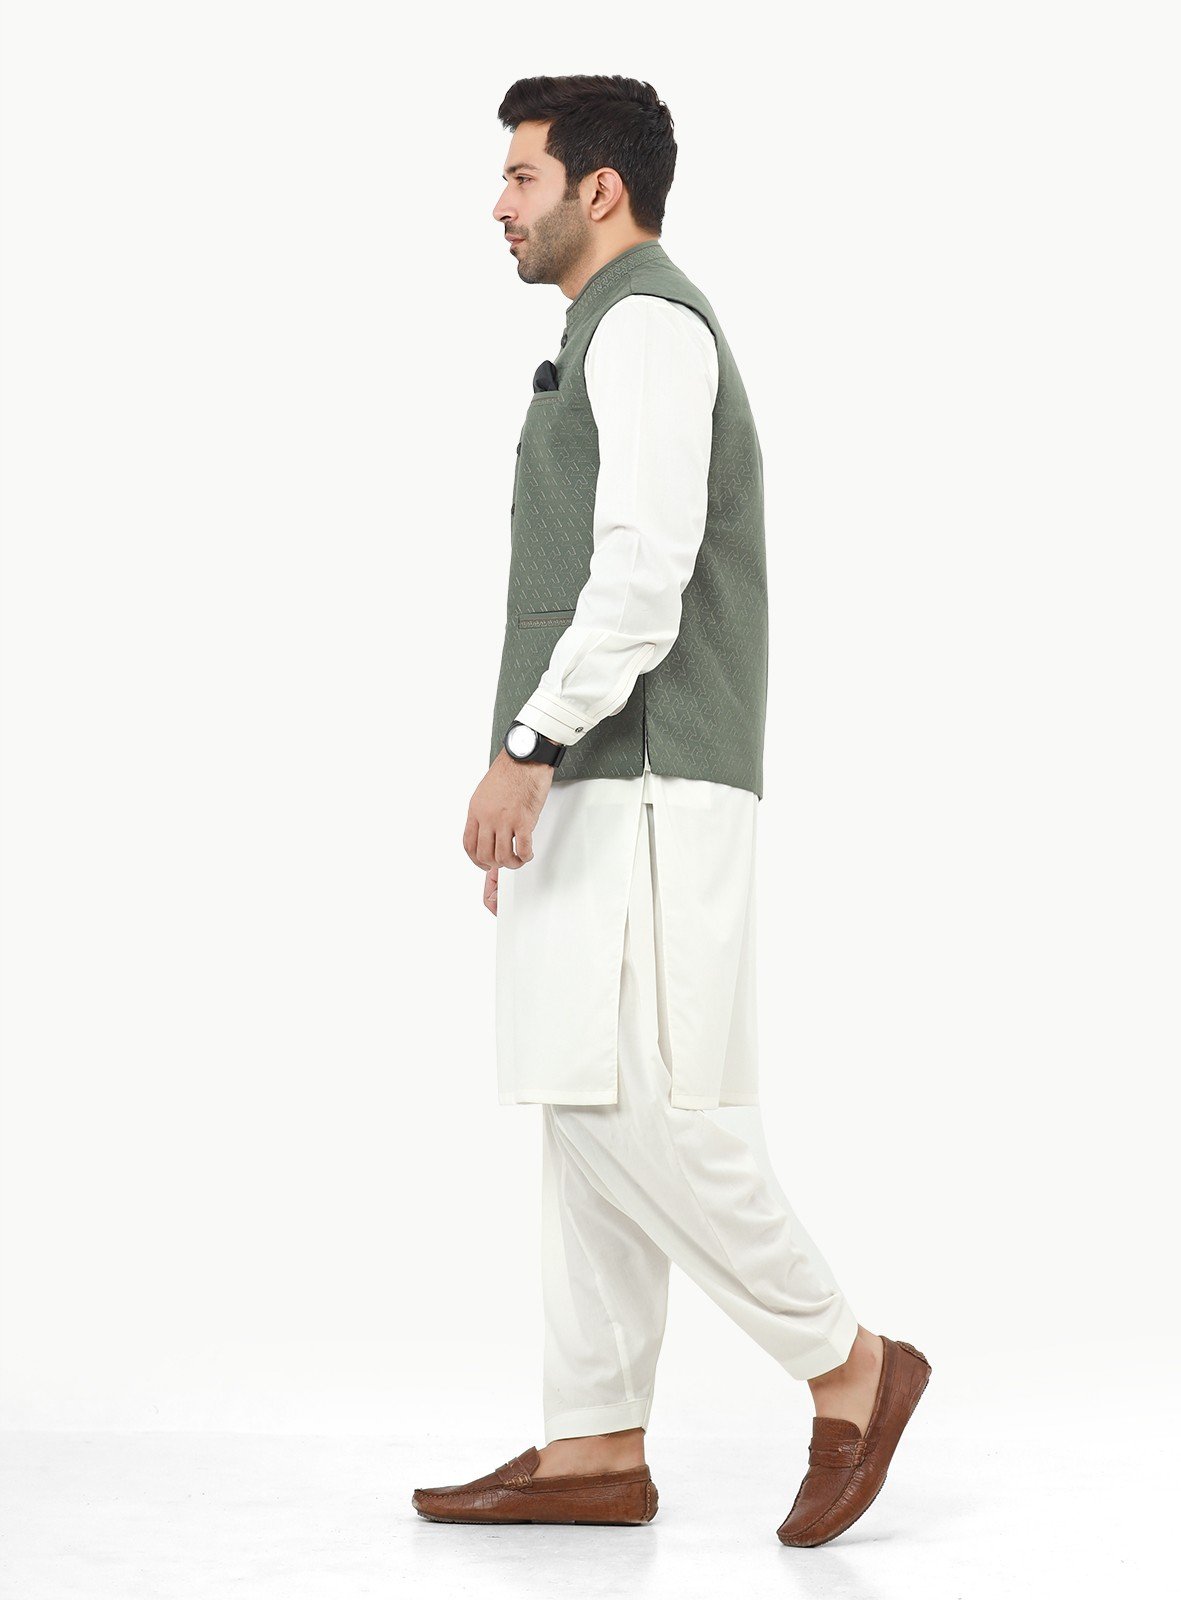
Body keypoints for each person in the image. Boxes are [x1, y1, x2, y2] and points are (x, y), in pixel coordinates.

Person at [412, 74, 931, 1548]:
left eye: (522, 177)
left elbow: (643, 575)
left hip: (640, 766)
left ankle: (848, 1361)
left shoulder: (647, 325)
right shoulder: (606, 329)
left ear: (601, 189)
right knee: (577, 1103)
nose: (499, 204)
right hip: (602, 770)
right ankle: (593, 1446)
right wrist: (536, 766)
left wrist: (528, 747)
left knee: (637, 1103)